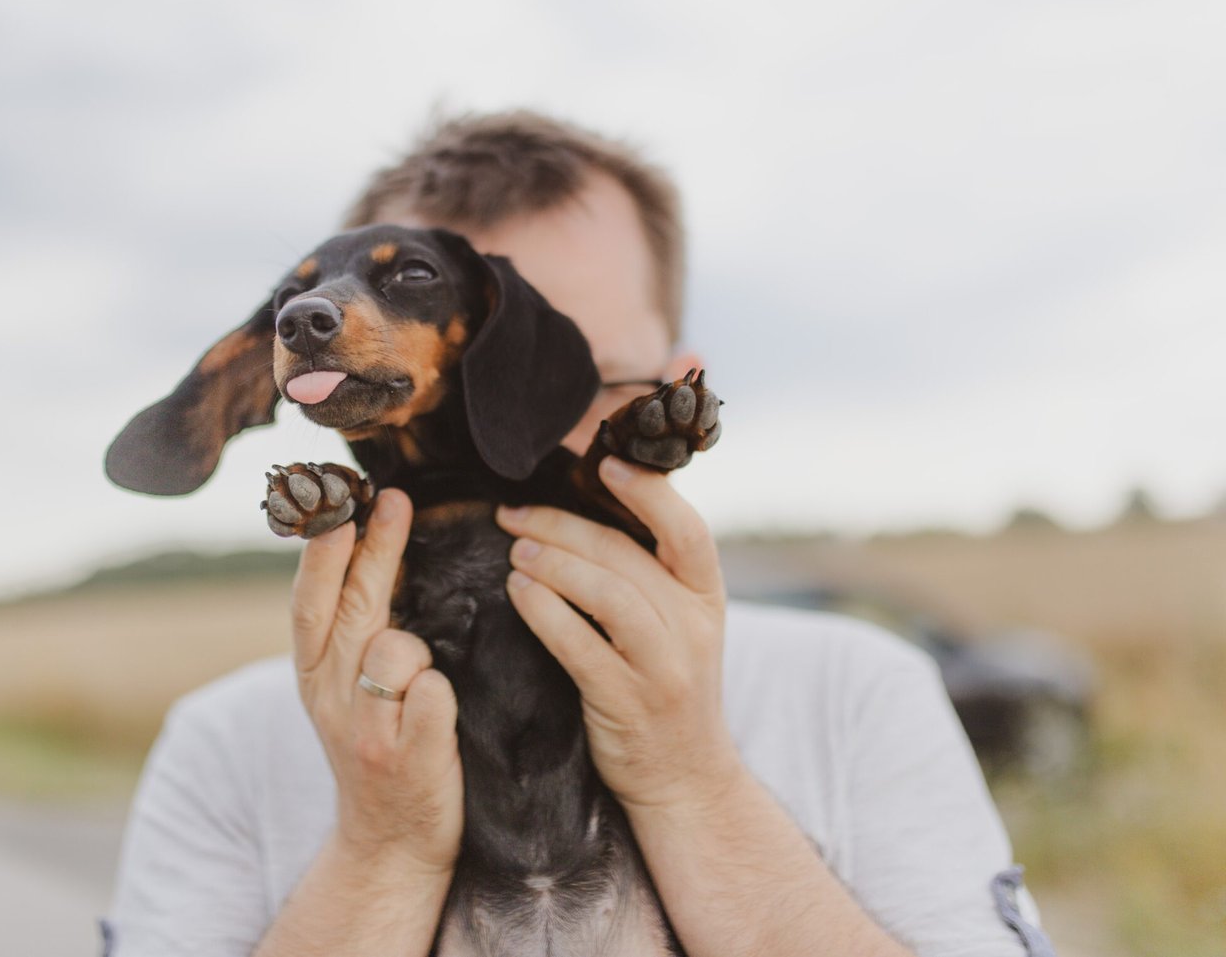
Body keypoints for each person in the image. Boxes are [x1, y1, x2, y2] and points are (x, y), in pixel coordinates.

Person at [103, 111, 1054, 957]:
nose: (504, 423)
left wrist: (693, 783)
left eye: (567, 374)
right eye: (483, 370)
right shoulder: (218, 745)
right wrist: (379, 846)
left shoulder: (862, 693)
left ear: (676, 392)